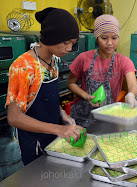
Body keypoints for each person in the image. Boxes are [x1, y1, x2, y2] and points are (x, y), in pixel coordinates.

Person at [6, 7, 85, 166]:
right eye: (65, 43)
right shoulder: (23, 67)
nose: (69, 49)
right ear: (50, 37)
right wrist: (59, 129)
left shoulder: (54, 61)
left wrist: (62, 115)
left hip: (52, 137)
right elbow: (14, 118)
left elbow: (48, 97)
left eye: (73, 43)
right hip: (32, 141)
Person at [68, 14, 137, 127]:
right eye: (104, 38)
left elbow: (133, 85)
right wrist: (86, 96)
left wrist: (131, 95)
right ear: (97, 37)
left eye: (114, 38)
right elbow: (71, 83)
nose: (109, 43)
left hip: (108, 117)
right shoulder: (83, 58)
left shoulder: (124, 62)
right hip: (81, 118)